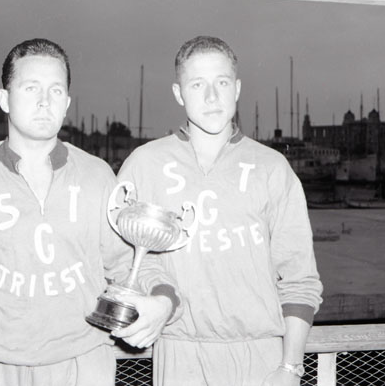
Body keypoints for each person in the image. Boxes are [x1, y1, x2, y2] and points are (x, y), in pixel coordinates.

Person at [0, 38, 178, 386]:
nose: (44, 101)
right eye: (30, 88)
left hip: (83, 366)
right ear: (4, 99)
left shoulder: (97, 176)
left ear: (67, 103)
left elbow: (132, 261)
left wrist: (163, 301)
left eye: (56, 90)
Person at [112, 36, 323, 386]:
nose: (212, 97)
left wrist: (291, 367)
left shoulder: (272, 168)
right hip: (179, 353)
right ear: (179, 93)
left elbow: (300, 281)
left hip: (261, 357)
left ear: (237, 88)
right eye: (197, 84)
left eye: (222, 83)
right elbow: (122, 259)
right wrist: (159, 299)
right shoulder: (145, 163)